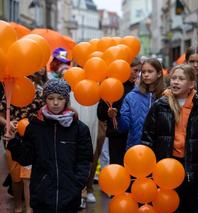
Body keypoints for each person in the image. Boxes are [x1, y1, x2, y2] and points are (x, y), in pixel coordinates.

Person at [5, 79, 93, 213]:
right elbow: (26, 158)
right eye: (51, 98)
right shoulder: (35, 127)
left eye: (60, 98)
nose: (56, 103)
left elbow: (85, 160)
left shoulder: (79, 129)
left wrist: (77, 184)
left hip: (69, 197)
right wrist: (13, 142)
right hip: (42, 196)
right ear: (45, 99)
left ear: (66, 100)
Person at [141, 64, 198, 212]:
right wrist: (147, 172)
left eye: (181, 79)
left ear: (191, 84)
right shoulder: (159, 106)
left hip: (192, 171)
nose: (175, 82)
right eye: (173, 78)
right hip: (165, 168)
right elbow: (147, 139)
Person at [85, 58, 141, 203]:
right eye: (135, 70)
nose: (138, 74)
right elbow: (101, 113)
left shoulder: (139, 87)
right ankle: (120, 200)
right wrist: (109, 114)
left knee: (135, 171)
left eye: (139, 71)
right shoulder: (112, 85)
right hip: (117, 136)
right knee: (119, 169)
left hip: (135, 136)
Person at [0, 68, 47, 213]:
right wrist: (8, 123)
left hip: (31, 138)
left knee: (27, 175)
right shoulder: (10, 93)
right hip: (12, 137)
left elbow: (44, 113)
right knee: (16, 177)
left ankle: (28, 208)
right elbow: (0, 114)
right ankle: (18, 204)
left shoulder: (38, 95)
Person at [119, 58, 164, 149]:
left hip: (160, 149)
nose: (146, 75)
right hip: (135, 149)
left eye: (150, 71)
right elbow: (123, 128)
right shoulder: (131, 97)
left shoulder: (166, 96)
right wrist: (117, 116)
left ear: (159, 73)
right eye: (143, 72)